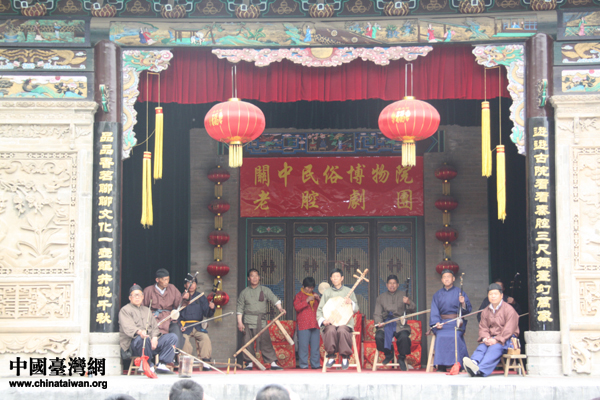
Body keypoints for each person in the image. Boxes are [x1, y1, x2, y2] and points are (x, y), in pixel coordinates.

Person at [463, 283, 520, 377]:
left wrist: (496, 340)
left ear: (501, 295)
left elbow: (509, 329)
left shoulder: (509, 309)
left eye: (495, 294)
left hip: (506, 339)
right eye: (490, 294)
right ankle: (473, 363)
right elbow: (483, 327)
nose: (493, 296)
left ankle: (480, 370)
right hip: (491, 338)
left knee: (494, 348)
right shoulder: (485, 311)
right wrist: (486, 338)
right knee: (482, 346)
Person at [118, 284, 177, 374]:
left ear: (143, 297)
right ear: (130, 298)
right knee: (143, 339)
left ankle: (162, 364)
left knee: (172, 337)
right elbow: (128, 327)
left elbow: (155, 327)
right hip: (135, 344)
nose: (137, 297)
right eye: (135, 295)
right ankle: (149, 365)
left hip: (150, 342)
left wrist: (155, 337)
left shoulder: (147, 310)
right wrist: (140, 332)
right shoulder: (125, 310)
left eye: (139, 295)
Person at [237, 268, 286, 370]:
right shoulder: (244, 292)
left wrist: (280, 308)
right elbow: (240, 308)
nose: (254, 278)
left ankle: (272, 363)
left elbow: (274, 299)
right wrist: (240, 322)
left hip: (261, 321)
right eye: (252, 276)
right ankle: (249, 363)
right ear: (248, 278)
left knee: (265, 341)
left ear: (259, 277)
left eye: (256, 276)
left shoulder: (265, 290)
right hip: (248, 321)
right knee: (247, 342)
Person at [429, 269, 472, 372]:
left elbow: (468, 310)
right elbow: (434, 311)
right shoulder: (437, 294)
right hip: (442, 323)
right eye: (444, 277)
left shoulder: (460, 292)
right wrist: (436, 322)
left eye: (449, 277)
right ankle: (441, 365)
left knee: (455, 335)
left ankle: (457, 364)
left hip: (456, 323)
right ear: (441, 280)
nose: (446, 279)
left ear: (453, 279)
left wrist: (463, 303)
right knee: (440, 336)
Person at [316, 268, 359, 370]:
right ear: (331, 279)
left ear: (342, 278)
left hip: (345, 323)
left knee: (342, 330)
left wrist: (351, 302)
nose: (335, 278)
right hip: (331, 322)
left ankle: (345, 357)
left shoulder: (348, 291)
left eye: (337, 276)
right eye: (333, 277)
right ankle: (331, 356)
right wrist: (323, 321)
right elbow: (320, 310)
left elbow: (356, 308)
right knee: (330, 330)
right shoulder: (327, 293)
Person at [374, 275, 416, 370]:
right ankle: (388, 354)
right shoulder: (381, 297)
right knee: (379, 336)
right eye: (390, 283)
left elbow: (413, 309)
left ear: (397, 285)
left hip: (399, 324)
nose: (392, 285)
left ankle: (401, 357)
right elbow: (377, 313)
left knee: (404, 337)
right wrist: (379, 322)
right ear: (386, 285)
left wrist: (408, 302)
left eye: (394, 283)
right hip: (386, 323)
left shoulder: (404, 295)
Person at [143, 269, 185, 358]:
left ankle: (174, 356)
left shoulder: (172, 288)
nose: (166, 282)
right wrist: (148, 316)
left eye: (168, 279)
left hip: (169, 318)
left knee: (176, 332)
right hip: (154, 319)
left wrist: (186, 298)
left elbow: (179, 304)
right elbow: (142, 308)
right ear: (157, 280)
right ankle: (151, 357)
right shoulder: (148, 290)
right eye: (164, 280)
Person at [179, 273, 215, 371]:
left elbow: (207, 313)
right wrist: (180, 325)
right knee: (184, 340)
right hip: (185, 326)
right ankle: (186, 362)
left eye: (193, 283)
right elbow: (176, 314)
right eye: (189, 283)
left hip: (198, 326)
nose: (191, 285)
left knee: (205, 338)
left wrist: (211, 308)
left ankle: (206, 362)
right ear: (185, 285)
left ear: (196, 285)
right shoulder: (180, 297)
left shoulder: (201, 297)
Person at [293, 277, 321, 369]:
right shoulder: (299, 296)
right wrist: (306, 300)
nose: (310, 290)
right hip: (303, 325)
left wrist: (319, 299)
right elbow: (297, 307)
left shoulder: (315, 295)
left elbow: (323, 308)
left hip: (315, 324)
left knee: (315, 346)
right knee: (303, 346)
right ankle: (303, 365)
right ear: (303, 286)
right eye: (308, 287)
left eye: (312, 288)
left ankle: (315, 365)